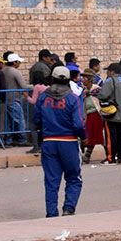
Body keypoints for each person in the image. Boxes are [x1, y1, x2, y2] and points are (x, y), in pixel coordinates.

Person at [34, 66, 85, 217]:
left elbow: (36, 120)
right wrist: (83, 136)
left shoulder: (43, 97)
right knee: (74, 178)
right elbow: (78, 124)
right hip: (68, 142)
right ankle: (68, 208)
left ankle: (51, 213)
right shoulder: (72, 98)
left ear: (52, 78)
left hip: (49, 141)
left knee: (51, 180)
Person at [99, 63, 121, 164]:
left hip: (112, 114)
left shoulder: (110, 81)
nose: (107, 73)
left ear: (112, 72)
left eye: (108, 71)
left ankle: (111, 157)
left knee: (111, 136)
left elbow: (103, 95)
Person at [80, 70, 110, 164]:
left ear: (89, 79)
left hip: (97, 114)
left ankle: (109, 154)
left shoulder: (96, 89)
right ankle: (87, 156)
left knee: (100, 135)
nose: (82, 80)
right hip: (89, 115)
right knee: (90, 135)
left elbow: (102, 97)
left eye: (84, 78)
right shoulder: (84, 91)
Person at [2, 53, 31, 146]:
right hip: (14, 99)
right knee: (20, 120)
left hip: (5, 99)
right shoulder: (15, 72)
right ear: (14, 62)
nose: (19, 64)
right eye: (18, 62)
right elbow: (24, 86)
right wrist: (36, 86)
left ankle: (8, 140)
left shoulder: (4, 70)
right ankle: (22, 140)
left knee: (8, 122)